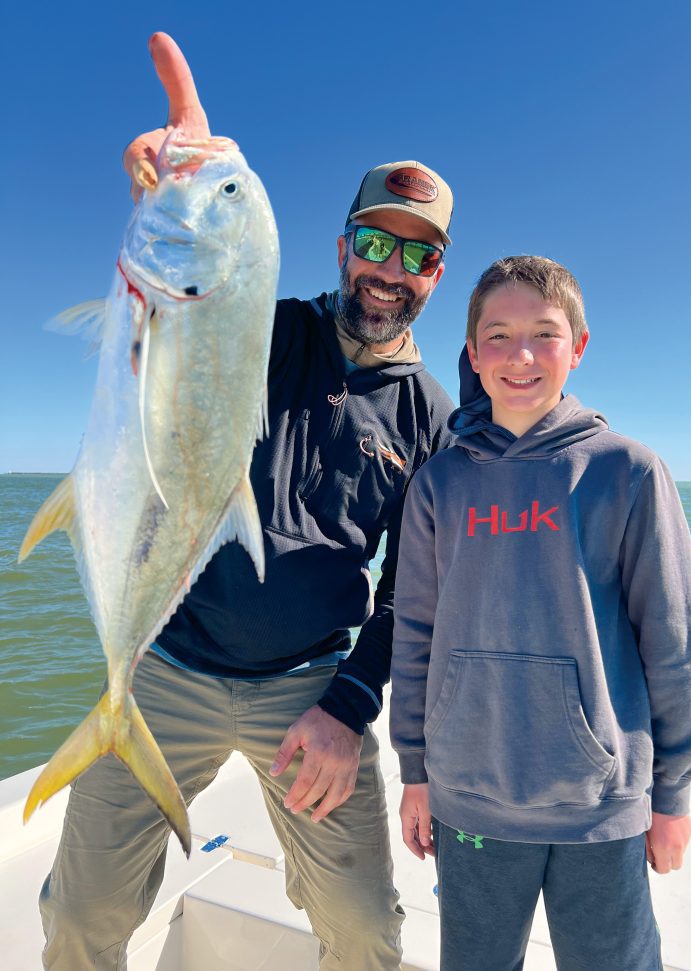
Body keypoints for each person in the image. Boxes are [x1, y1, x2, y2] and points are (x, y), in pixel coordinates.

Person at [39, 33, 455, 971]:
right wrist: (173, 190)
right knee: (78, 916)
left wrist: (350, 707)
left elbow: (413, 594)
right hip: (166, 664)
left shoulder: (432, 418)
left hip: (311, 692)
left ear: (435, 276)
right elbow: (172, 318)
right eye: (377, 241)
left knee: (364, 932)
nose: (391, 268)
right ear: (344, 245)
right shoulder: (255, 327)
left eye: (417, 255)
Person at [390, 254, 691, 971]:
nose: (521, 355)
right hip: (470, 802)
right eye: (497, 336)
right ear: (473, 354)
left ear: (580, 347)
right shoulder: (439, 483)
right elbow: (413, 632)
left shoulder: (627, 472)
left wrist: (674, 796)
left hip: (601, 809)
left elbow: (677, 644)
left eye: (544, 333)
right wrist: (414, 768)